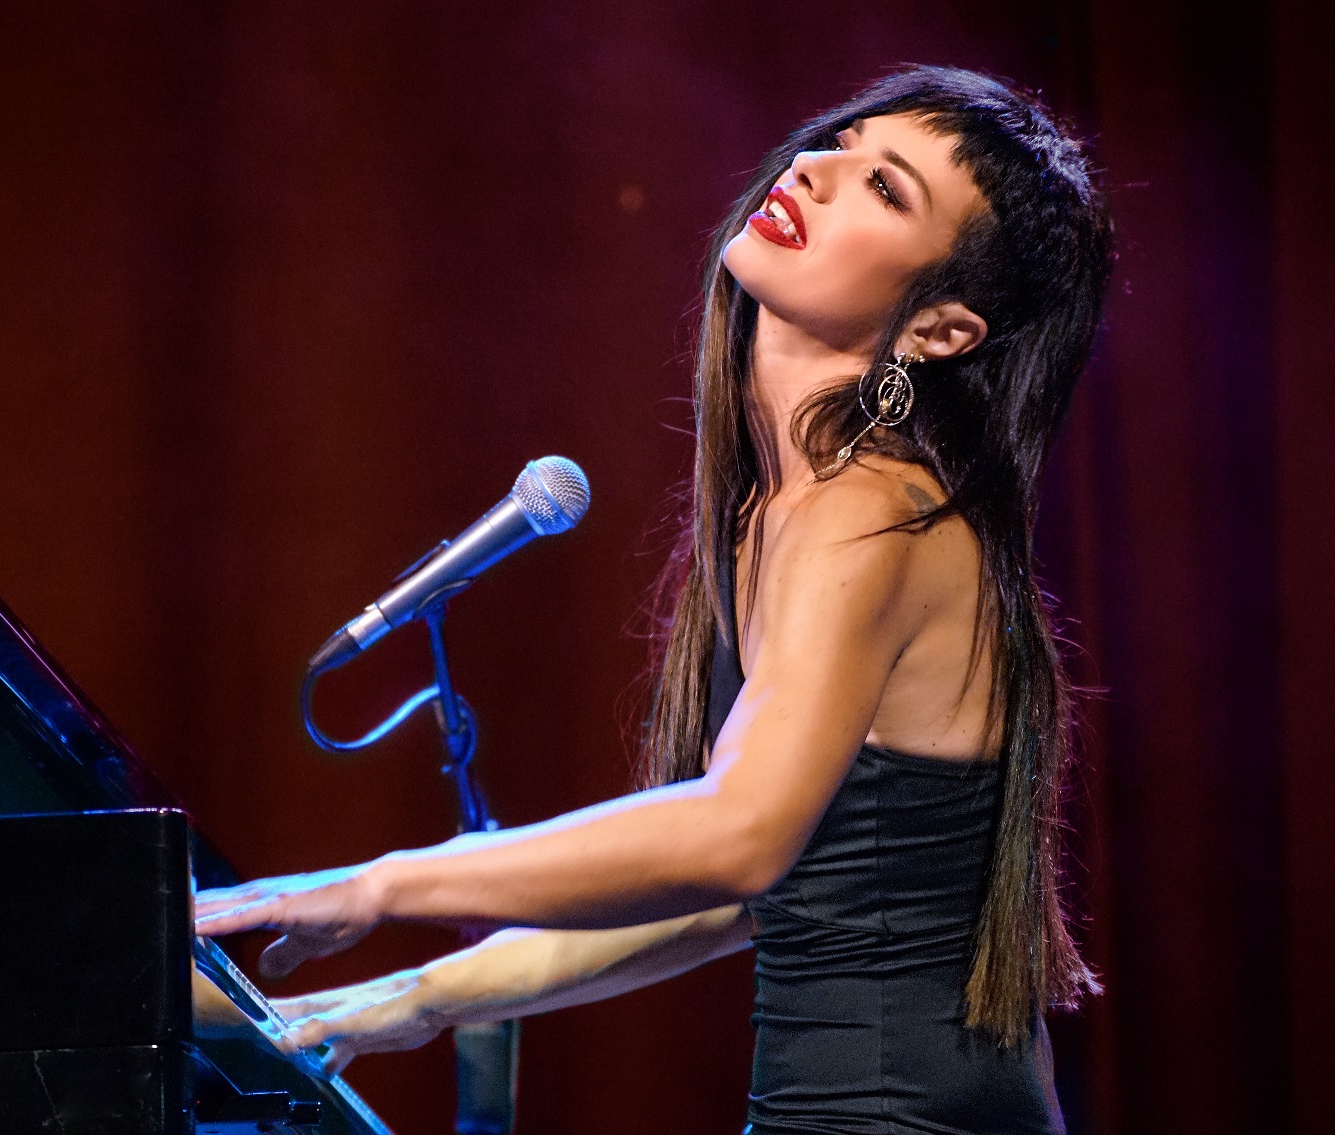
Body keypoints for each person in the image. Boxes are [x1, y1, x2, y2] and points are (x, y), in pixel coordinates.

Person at [197, 64, 1113, 1134]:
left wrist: (384, 884)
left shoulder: (874, 512)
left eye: (886, 188)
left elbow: (737, 837)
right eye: (839, 143)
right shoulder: (801, 504)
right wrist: (413, 997)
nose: (815, 170)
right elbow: (739, 896)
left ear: (942, 332)